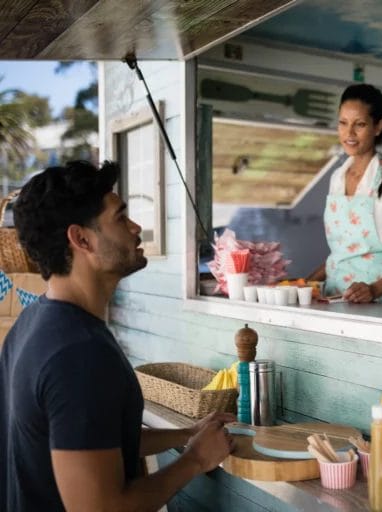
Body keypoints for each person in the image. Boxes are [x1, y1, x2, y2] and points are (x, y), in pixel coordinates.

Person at [0, 161, 235, 511]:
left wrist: (186, 435)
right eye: (121, 217)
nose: (136, 227)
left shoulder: (34, 323)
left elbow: (89, 441)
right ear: (81, 239)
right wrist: (196, 460)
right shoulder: (78, 354)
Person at [309, 83, 382, 303]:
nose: (349, 133)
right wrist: (305, 283)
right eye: (343, 123)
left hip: (381, 303)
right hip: (335, 299)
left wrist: (373, 290)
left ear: (378, 127)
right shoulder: (336, 179)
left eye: (359, 124)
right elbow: (341, 255)